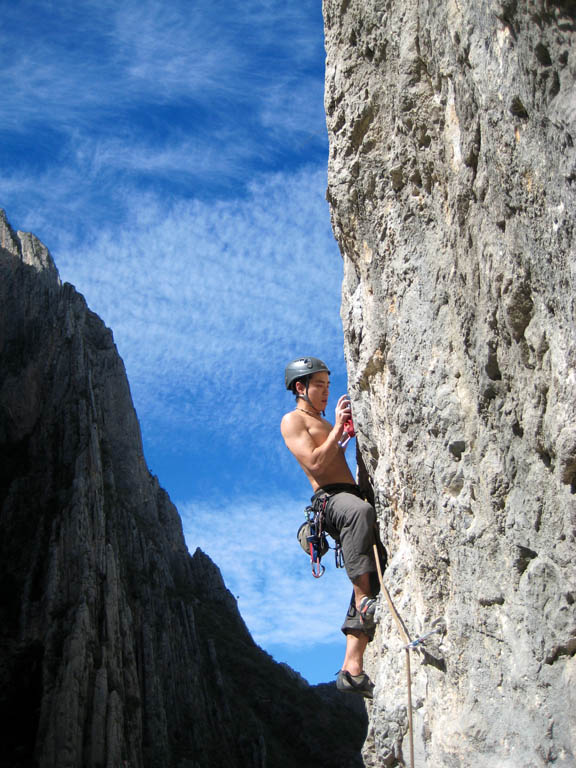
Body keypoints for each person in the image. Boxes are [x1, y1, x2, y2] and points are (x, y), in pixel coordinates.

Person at [280, 356, 382, 699]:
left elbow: (333, 451)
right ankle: (363, 598)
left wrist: (342, 432)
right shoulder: (293, 421)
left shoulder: (323, 422)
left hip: (350, 493)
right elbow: (315, 463)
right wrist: (339, 428)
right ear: (300, 387)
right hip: (331, 499)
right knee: (359, 514)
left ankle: (352, 668)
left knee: (376, 569)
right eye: (319, 386)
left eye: (327, 385)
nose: (326, 392)